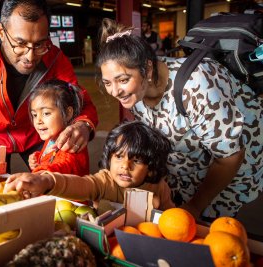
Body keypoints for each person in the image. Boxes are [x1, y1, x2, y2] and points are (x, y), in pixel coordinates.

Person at [96, 18, 263, 221]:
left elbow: (230, 157)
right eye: (107, 83)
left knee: (211, 232)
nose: (115, 91)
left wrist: (195, 206)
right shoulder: (136, 94)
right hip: (189, 167)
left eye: (123, 80)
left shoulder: (198, 87)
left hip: (228, 170)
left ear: (147, 70)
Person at [0, 0, 98, 172]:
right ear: (1, 32)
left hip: (36, 134)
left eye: (39, 44)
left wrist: (83, 125)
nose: (30, 56)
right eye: (20, 44)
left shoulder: (54, 58)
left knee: (58, 185)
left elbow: (80, 100)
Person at [4, 121, 175, 211]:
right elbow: (81, 184)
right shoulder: (105, 181)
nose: (125, 166)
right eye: (119, 157)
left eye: (136, 161)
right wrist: (47, 181)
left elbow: (172, 220)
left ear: (151, 167)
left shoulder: (159, 187)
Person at [28, 79, 89, 176]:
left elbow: (63, 167)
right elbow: (51, 158)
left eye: (46, 113)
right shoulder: (52, 138)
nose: (38, 121)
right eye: (34, 115)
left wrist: (39, 174)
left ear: (68, 113)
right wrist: (37, 157)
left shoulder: (71, 143)